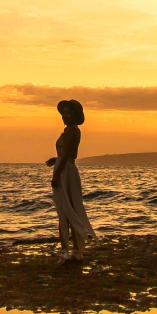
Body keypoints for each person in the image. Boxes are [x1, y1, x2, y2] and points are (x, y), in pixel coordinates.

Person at [45, 98, 95, 265]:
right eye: (63, 113)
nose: (65, 116)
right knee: (72, 209)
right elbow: (68, 153)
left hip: (65, 170)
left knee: (64, 211)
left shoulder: (69, 131)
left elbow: (66, 153)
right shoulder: (76, 131)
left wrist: (55, 175)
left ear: (75, 115)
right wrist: (56, 159)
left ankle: (65, 251)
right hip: (69, 168)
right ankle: (76, 251)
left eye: (68, 113)